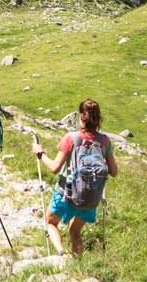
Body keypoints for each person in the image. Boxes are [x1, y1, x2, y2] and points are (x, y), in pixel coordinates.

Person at [33, 99, 118, 257]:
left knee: (50, 222)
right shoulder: (104, 141)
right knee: (75, 232)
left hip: (65, 194)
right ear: (98, 119)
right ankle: (77, 265)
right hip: (90, 198)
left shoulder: (71, 138)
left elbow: (54, 168)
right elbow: (114, 172)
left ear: (80, 116)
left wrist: (40, 153)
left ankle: (62, 255)